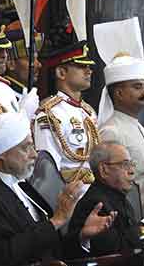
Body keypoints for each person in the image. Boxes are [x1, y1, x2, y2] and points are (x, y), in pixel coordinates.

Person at [0, 112, 114, 266]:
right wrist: (56, 220)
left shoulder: (21, 185)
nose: (34, 155)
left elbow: (47, 246)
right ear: (2, 154)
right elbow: (5, 254)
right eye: (26, 148)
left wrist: (81, 236)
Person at [94, 18, 144, 212]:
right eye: (137, 87)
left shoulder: (137, 126)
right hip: (135, 223)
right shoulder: (111, 131)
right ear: (119, 93)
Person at [66, 141, 144, 259]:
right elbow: (119, 249)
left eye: (131, 164)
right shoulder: (96, 203)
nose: (131, 171)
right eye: (125, 165)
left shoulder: (118, 197)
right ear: (104, 170)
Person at [33, 41, 99, 186]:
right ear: (61, 72)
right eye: (81, 66)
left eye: (89, 67)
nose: (89, 71)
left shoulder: (88, 112)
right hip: (67, 194)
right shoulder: (50, 114)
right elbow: (48, 168)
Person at [3, 16, 44, 100]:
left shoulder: (30, 95)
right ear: (10, 63)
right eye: (31, 59)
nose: (39, 65)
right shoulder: (2, 96)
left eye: (37, 58)